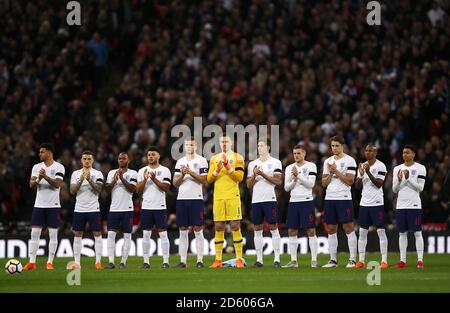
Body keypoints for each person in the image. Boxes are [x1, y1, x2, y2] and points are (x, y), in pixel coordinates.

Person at [24, 143, 65, 270]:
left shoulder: (59, 167)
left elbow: (57, 184)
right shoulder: (36, 167)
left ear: (49, 152)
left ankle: (49, 263)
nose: (39, 154)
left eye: (42, 152)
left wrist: (45, 177)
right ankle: (32, 262)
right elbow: (31, 184)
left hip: (53, 205)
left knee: (53, 234)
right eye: (39, 152)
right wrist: (37, 179)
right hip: (39, 205)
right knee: (34, 233)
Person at [207, 135, 245, 268]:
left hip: (232, 195)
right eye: (222, 141)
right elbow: (209, 179)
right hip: (218, 196)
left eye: (226, 141)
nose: (224, 143)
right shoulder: (214, 158)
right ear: (219, 142)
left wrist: (228, 167)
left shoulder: (238, 157)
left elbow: (240, 177)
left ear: (231, 142)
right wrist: (217, 170)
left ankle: (239, 258)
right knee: (218, 227)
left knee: (235, 225)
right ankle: (218, 260)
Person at [321, 135, 358, 268]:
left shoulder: (350, 160)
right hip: (330, 198)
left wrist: (336, 171)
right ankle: (333, 260)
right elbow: (324, 183)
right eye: (332, 146)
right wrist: (331, 174)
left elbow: (350, 181)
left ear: (342, 146)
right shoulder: (327, 161)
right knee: (331, 228)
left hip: (344, 198)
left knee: (348, 227)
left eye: (337, 145)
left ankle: (353, 259)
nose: (334, 148)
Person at [173, 137, 208, 268]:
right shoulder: (180, 162)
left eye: (192, 144)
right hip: (182, 199)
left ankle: (200, 260)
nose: (189, 146)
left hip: (196, 198)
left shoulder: (201, 160)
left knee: (197, 229)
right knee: (182, 229)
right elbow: (175, 183)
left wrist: (191, 172)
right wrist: (182, 174)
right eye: (187, 144)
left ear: (196, 146)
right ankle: (183, 261)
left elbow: (205, 180)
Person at [246, 140, 282, 268]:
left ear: (268, 147)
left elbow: (277, 181)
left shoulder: (275, 162)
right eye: (258, 146)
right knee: (257, 228)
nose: (259, 148)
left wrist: (263, 174)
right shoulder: (252, 164)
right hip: (256, 200)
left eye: (262, 145)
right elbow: (248, 185)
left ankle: (277, 259)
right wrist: (255, 175)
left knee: (273, 227)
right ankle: (259, 260)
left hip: (270, 198)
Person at [282, 144, 319, 268]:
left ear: (304, 154)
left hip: (307, 201)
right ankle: (293, 261)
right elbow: (286, 188)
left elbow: (311, 184)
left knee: (311, 230)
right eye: (294, 153)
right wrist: (293, 180)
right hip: (293, 202)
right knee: (292, 230)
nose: (296, 156)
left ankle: (314, 260)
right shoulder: (288, 168)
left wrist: (299, 176)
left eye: (298, 153)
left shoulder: (311, 166)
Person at [136, 146, 172, 268]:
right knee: (146, 234)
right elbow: (138, 190)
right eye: (149, 155)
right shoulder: (142, 171)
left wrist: (154, 179)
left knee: (163, 234)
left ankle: (165, 261)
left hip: (160, 206)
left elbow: (166, 188)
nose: (150, 156)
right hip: (146, 206)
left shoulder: (165, 170)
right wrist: (146, 179)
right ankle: (146, 262)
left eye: (153, 154)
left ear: (158, 156)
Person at [392, 145, 427, 269]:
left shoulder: (420, 168)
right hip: (401, 205)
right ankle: (402, 261)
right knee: (402, 233)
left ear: (413, 154)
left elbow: (421, 188)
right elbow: (394, 189)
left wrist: (408, 179)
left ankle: (420, 260)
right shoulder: (397, 169)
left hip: (414, 205)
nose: (404, 155)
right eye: (403, 152)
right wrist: (401, 180)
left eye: (407, 152)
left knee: (417, 233)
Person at [354, 144, 389, 269]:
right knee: (362, 232)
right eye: (366, 151)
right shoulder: (362, 165)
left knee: (380, 231)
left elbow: (379, 184)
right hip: (364, 203)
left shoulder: (381, 166)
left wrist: (368, 172)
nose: (367, 153)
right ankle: (361, 261)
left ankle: (384, 260)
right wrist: (362, 174)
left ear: (375, 153)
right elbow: (357, 186)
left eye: (370, 151)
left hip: (376, 203)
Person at [69, 151, 104, 270]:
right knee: (78, 234)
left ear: (93, 160)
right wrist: (81, 180)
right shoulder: (76, 174)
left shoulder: (97, 173)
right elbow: (72, 191)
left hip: (93, 208)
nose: (87, 161)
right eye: (85, 159)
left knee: (97, 234)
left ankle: (98, 262)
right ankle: (77, 263)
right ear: (81, 160)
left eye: (89, 159)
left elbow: (99, 189)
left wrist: (89, 180)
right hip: (79, 208)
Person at [104, 152, 138, 269]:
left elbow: (132, 189)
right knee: (111, 235)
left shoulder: (133, 173)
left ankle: (123, 262)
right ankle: (111, 262)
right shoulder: (111, 173)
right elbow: (107, 189)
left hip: (127, 209)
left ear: (128, 160)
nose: (121, 160)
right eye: (120, 158)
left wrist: (122, 179)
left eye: (124, 158)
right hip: (114, 209)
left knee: (127, 236)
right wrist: (114, 180)